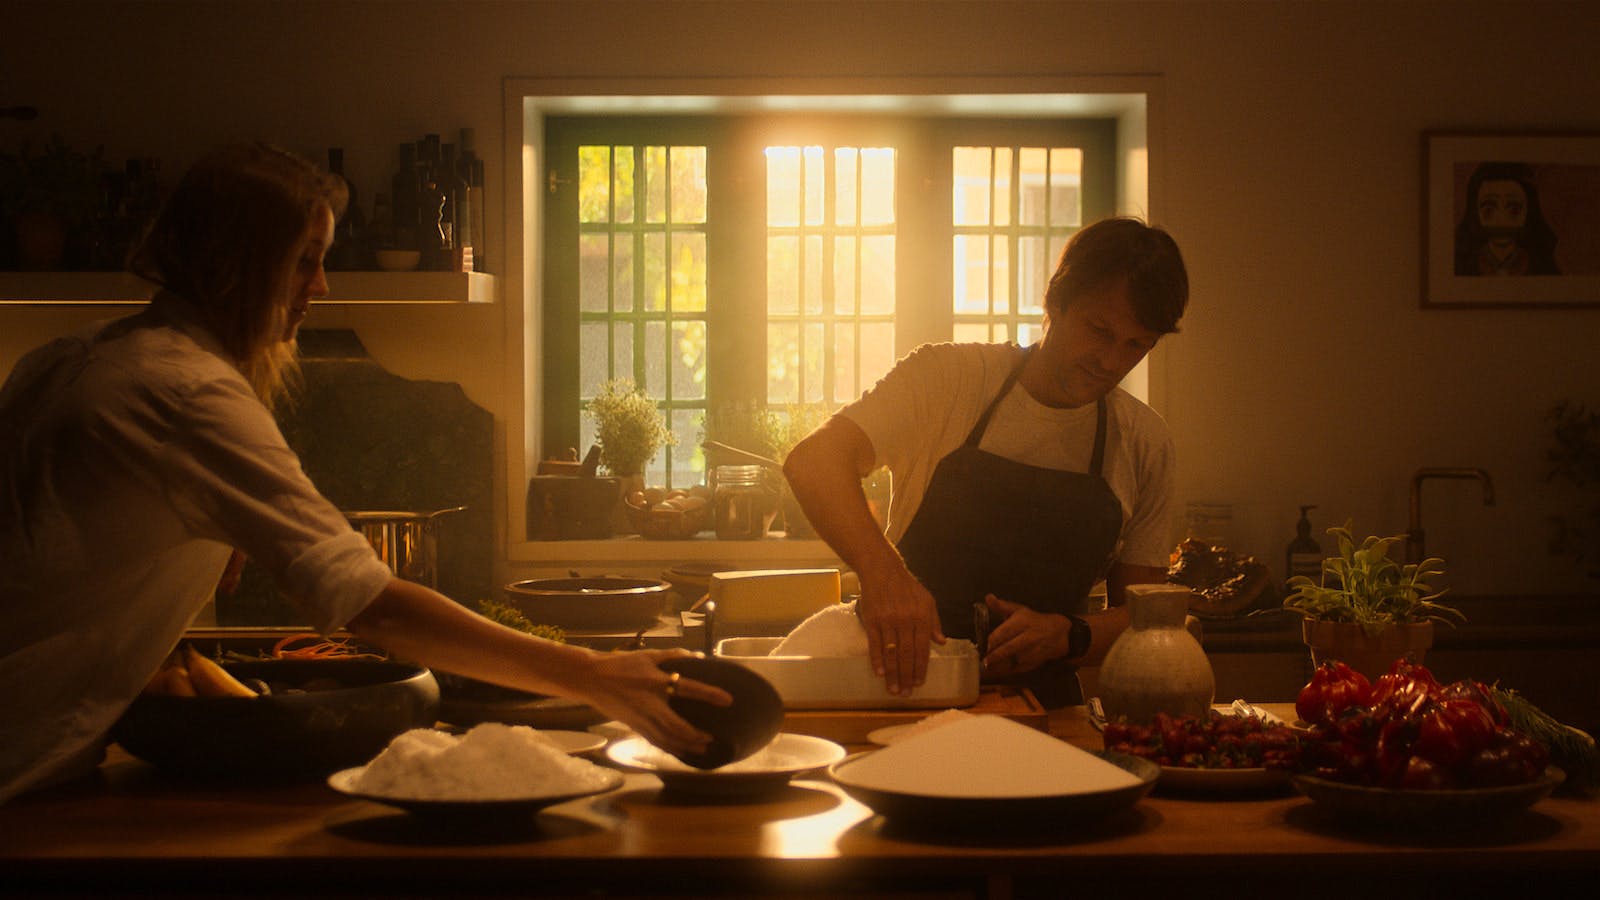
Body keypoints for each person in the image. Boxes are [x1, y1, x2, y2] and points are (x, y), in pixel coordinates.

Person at [0, 144, 727, 803]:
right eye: (305, 259)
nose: (320, 285)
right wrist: (592, 676)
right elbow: (369, 604)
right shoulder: (187, 391)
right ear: (238, 262)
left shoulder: (75, 359)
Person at [783, 217, 1189, 708]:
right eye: (1099, 330)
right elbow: (814, 460)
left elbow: (1145, 618)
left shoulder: (1144, 442)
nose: (1110, 361)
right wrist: (884, 574)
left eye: (1136, 345)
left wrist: (1069, 635)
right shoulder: (950, 378)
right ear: (1055, 301)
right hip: (903, 693)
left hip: (1043, 711)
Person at [1453, 161, 1560, 276]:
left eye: (1514, 210)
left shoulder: (1543, 268)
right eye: (1489, 209)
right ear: (1475, 212)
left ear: (1528, 212)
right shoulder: (1463, 267)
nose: (1501, 219)